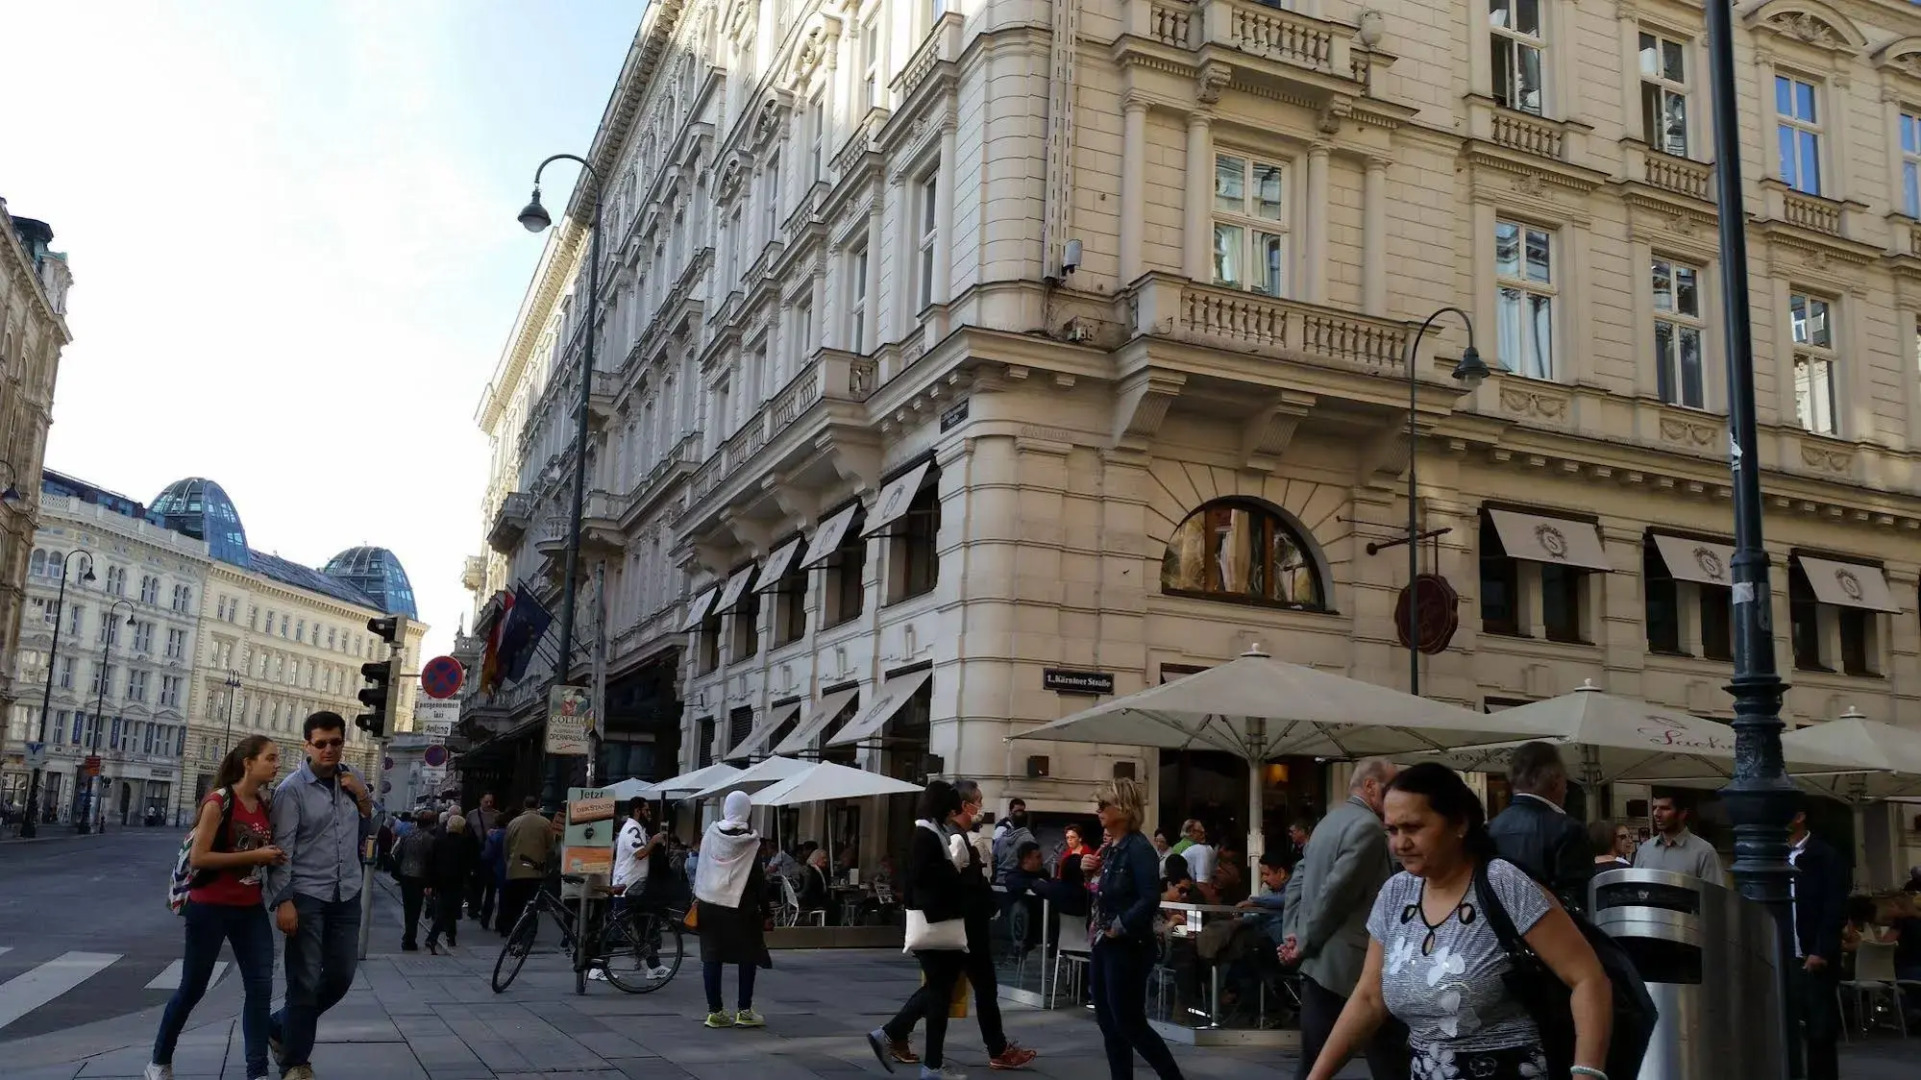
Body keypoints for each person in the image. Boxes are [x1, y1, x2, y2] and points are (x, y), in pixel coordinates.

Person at [1306, 762, 1612, 1080]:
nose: (1399, 844)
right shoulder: (1395, 893)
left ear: (1459, 823)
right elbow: (1370, 997)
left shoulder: (1502, 883)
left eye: (1413, 828)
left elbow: (1588, 978)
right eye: (1392, 831)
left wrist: (1587, 1074)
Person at [870, 779, 1036, 1078]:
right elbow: (927, 880)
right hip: (957, 924)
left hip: (956, 922)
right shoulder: (938, 836)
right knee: (943, 991)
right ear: (956, 805)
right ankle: (901, 1039)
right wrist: (959, 876)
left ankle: (909, 1045)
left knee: (943, 990)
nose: (978, 808)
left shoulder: (939, 834)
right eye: (975, 801)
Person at [145, 736, 286, 1080]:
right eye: (270, 758)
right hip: (209, 907)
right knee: (192, 988)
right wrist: (256, 856)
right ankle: (159, 1061)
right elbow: (200, 857)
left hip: (249, 908)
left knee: (260, 988)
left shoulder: (265, 804)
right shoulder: (218, 802)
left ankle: (258, 1072)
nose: (276, 764)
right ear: (248, 762)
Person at [263, 712, 376, 1080]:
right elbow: (282, 850)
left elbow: (372, 828)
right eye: (321, 743)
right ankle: (295, 1063)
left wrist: (363, 796)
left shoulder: (353, 779)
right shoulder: (292, 789)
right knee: (304, 979)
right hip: (307, 895)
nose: (329, 749)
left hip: (346, 892)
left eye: (336, 742)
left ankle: (280, 1026)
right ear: (307, 745)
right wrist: (284, 900)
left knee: (341, 976)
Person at [1281, 758, 1405, 1080]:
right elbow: (1337, 893)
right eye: (1389, 788)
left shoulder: (1328, 822)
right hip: (1350, 965)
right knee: (1387, 1058)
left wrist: (1293, 934)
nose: (1395, 795)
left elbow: (1299, 879)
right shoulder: (1368, 828)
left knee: (1317, 1061)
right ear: (1370, 786)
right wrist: (1304, 942)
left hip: (1321, 963)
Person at [1084, 776, 1185, 1080]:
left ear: (1124, 809)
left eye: (1105, 804)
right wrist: (1089, 873)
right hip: (1104, 942)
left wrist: (1121, 924)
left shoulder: (1138, 848)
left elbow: (1150, 896)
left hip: (1127, 945)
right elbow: (1101, 892)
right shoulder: (1113, 847)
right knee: (1108, 1020)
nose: (1098, 810)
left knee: (1128, 1022)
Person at [693, 791, 770, 1028]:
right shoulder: (751, 842)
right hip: (742, 907)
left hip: (710, 903)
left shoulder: (710, 836)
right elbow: (759, 881)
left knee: (711, 958)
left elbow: (701, 869)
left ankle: (715, 1012)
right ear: (746, 810)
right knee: (747, 957)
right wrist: (766, 912)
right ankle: (744, 1010)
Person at [1486, 741, 1593, 912]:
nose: (1566, 790)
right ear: (1556, 780)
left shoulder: (1490, 828)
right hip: (1551, 932)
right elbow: (1577, 906)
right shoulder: (1568, 830)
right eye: (1566, 780)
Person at [1787, 806, 1847, 1080]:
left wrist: (1821, 949)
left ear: (1800, 817)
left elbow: (1834, 907)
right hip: (1782, 955)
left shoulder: (1825, 856)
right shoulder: (1771, 854)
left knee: (1819, 1029)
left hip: (1813, 955)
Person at [1633, 791, 1727, 885]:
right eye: (1654, 808)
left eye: (1665, 808)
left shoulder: (1704, 852)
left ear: (1682, 813)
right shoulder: (1645, 850)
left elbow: (1714, 895)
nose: (1656, 813)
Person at [499, 797, 555, 934]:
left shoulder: (513, 823)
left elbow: (506, 847)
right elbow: (551, 848)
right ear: (538, 805)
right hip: (535, 870)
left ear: (524, 805)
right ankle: (529, 930)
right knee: (532, 903)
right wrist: (549, 866)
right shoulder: (545, 823)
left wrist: (509, 862)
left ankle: (513, 929)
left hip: (515, 869)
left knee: (514, 902)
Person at [425, 813, 475, 954]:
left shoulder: (439, 841)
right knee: (448, 910)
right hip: (456, 881)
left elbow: (431, 863)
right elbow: (468, 863)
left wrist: (429, 883)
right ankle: (433, 938)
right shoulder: (465, 842)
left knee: (446, 909)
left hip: (441, 881)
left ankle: (449, 937)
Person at [393, 809, 437, 951]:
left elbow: (397, 852)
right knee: (416, 908)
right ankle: (410, 938)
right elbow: (431, 861)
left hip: (406, 873)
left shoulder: (407, 835)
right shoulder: (429, 839)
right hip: (420, 876)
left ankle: (408, 936)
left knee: (408, 907)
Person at [464, 793, 496, 917]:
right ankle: (474, 907)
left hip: (489, 852)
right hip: (475, 851)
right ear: (480, 801)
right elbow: (466, 831)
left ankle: (484, 910)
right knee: (475, 882)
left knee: (489, 883)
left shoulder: (496, 815)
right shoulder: (472, 815)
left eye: (491, 802)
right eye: (486, 801)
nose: (488, 804)